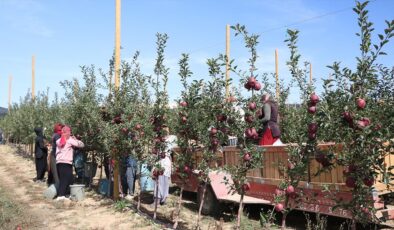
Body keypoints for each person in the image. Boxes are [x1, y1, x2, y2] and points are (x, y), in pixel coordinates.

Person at [55, 125, 84, 200]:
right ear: (68, 132)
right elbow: (81, 145)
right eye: (69, 131)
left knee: (65, 178)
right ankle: (61, 196)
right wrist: (76, 139)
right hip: (66, 162)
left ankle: (66, 194)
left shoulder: (58, 141)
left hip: (59, 163)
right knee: (65, 179)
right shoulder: (69, 140)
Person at [47, 123, 62, 188]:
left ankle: (54, 185)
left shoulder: (55, 134)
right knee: (56, 173)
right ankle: (57, 188)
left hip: (55, 155)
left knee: (55, 172)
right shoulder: (57, 135)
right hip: (55, 156)